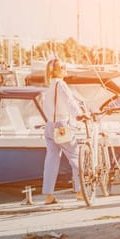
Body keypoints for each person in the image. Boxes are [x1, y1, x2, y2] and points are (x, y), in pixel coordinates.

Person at [41, 58, 84, 205]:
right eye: (62, 66)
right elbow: (69, 101)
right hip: (62, 126)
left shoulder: (49, 86)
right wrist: (79, 114)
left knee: (51, 160)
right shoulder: (61, 85)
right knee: (76, 157)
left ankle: (48, 195)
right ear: (56, 71)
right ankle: (80, 192)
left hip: (49, 126)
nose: (65, 68)